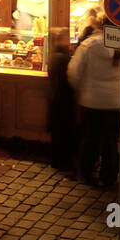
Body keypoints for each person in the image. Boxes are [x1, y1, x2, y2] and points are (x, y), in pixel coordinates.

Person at [68, 23, 120, 187]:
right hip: (117, 102)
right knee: (111, 139)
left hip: (90, 101)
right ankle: (108, 177)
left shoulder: (88, 45)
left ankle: (85, 173)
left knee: (90, 137)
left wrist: (79, 89)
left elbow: (74, 72)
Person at [47, 28, 76, 173]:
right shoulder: (64, 59)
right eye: (68, 39)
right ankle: (62, 161)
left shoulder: (53, 56)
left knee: (56, 132)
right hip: (63, 100)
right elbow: (71, 79)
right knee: (63, 131)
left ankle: (56, 160)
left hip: (54, 98)